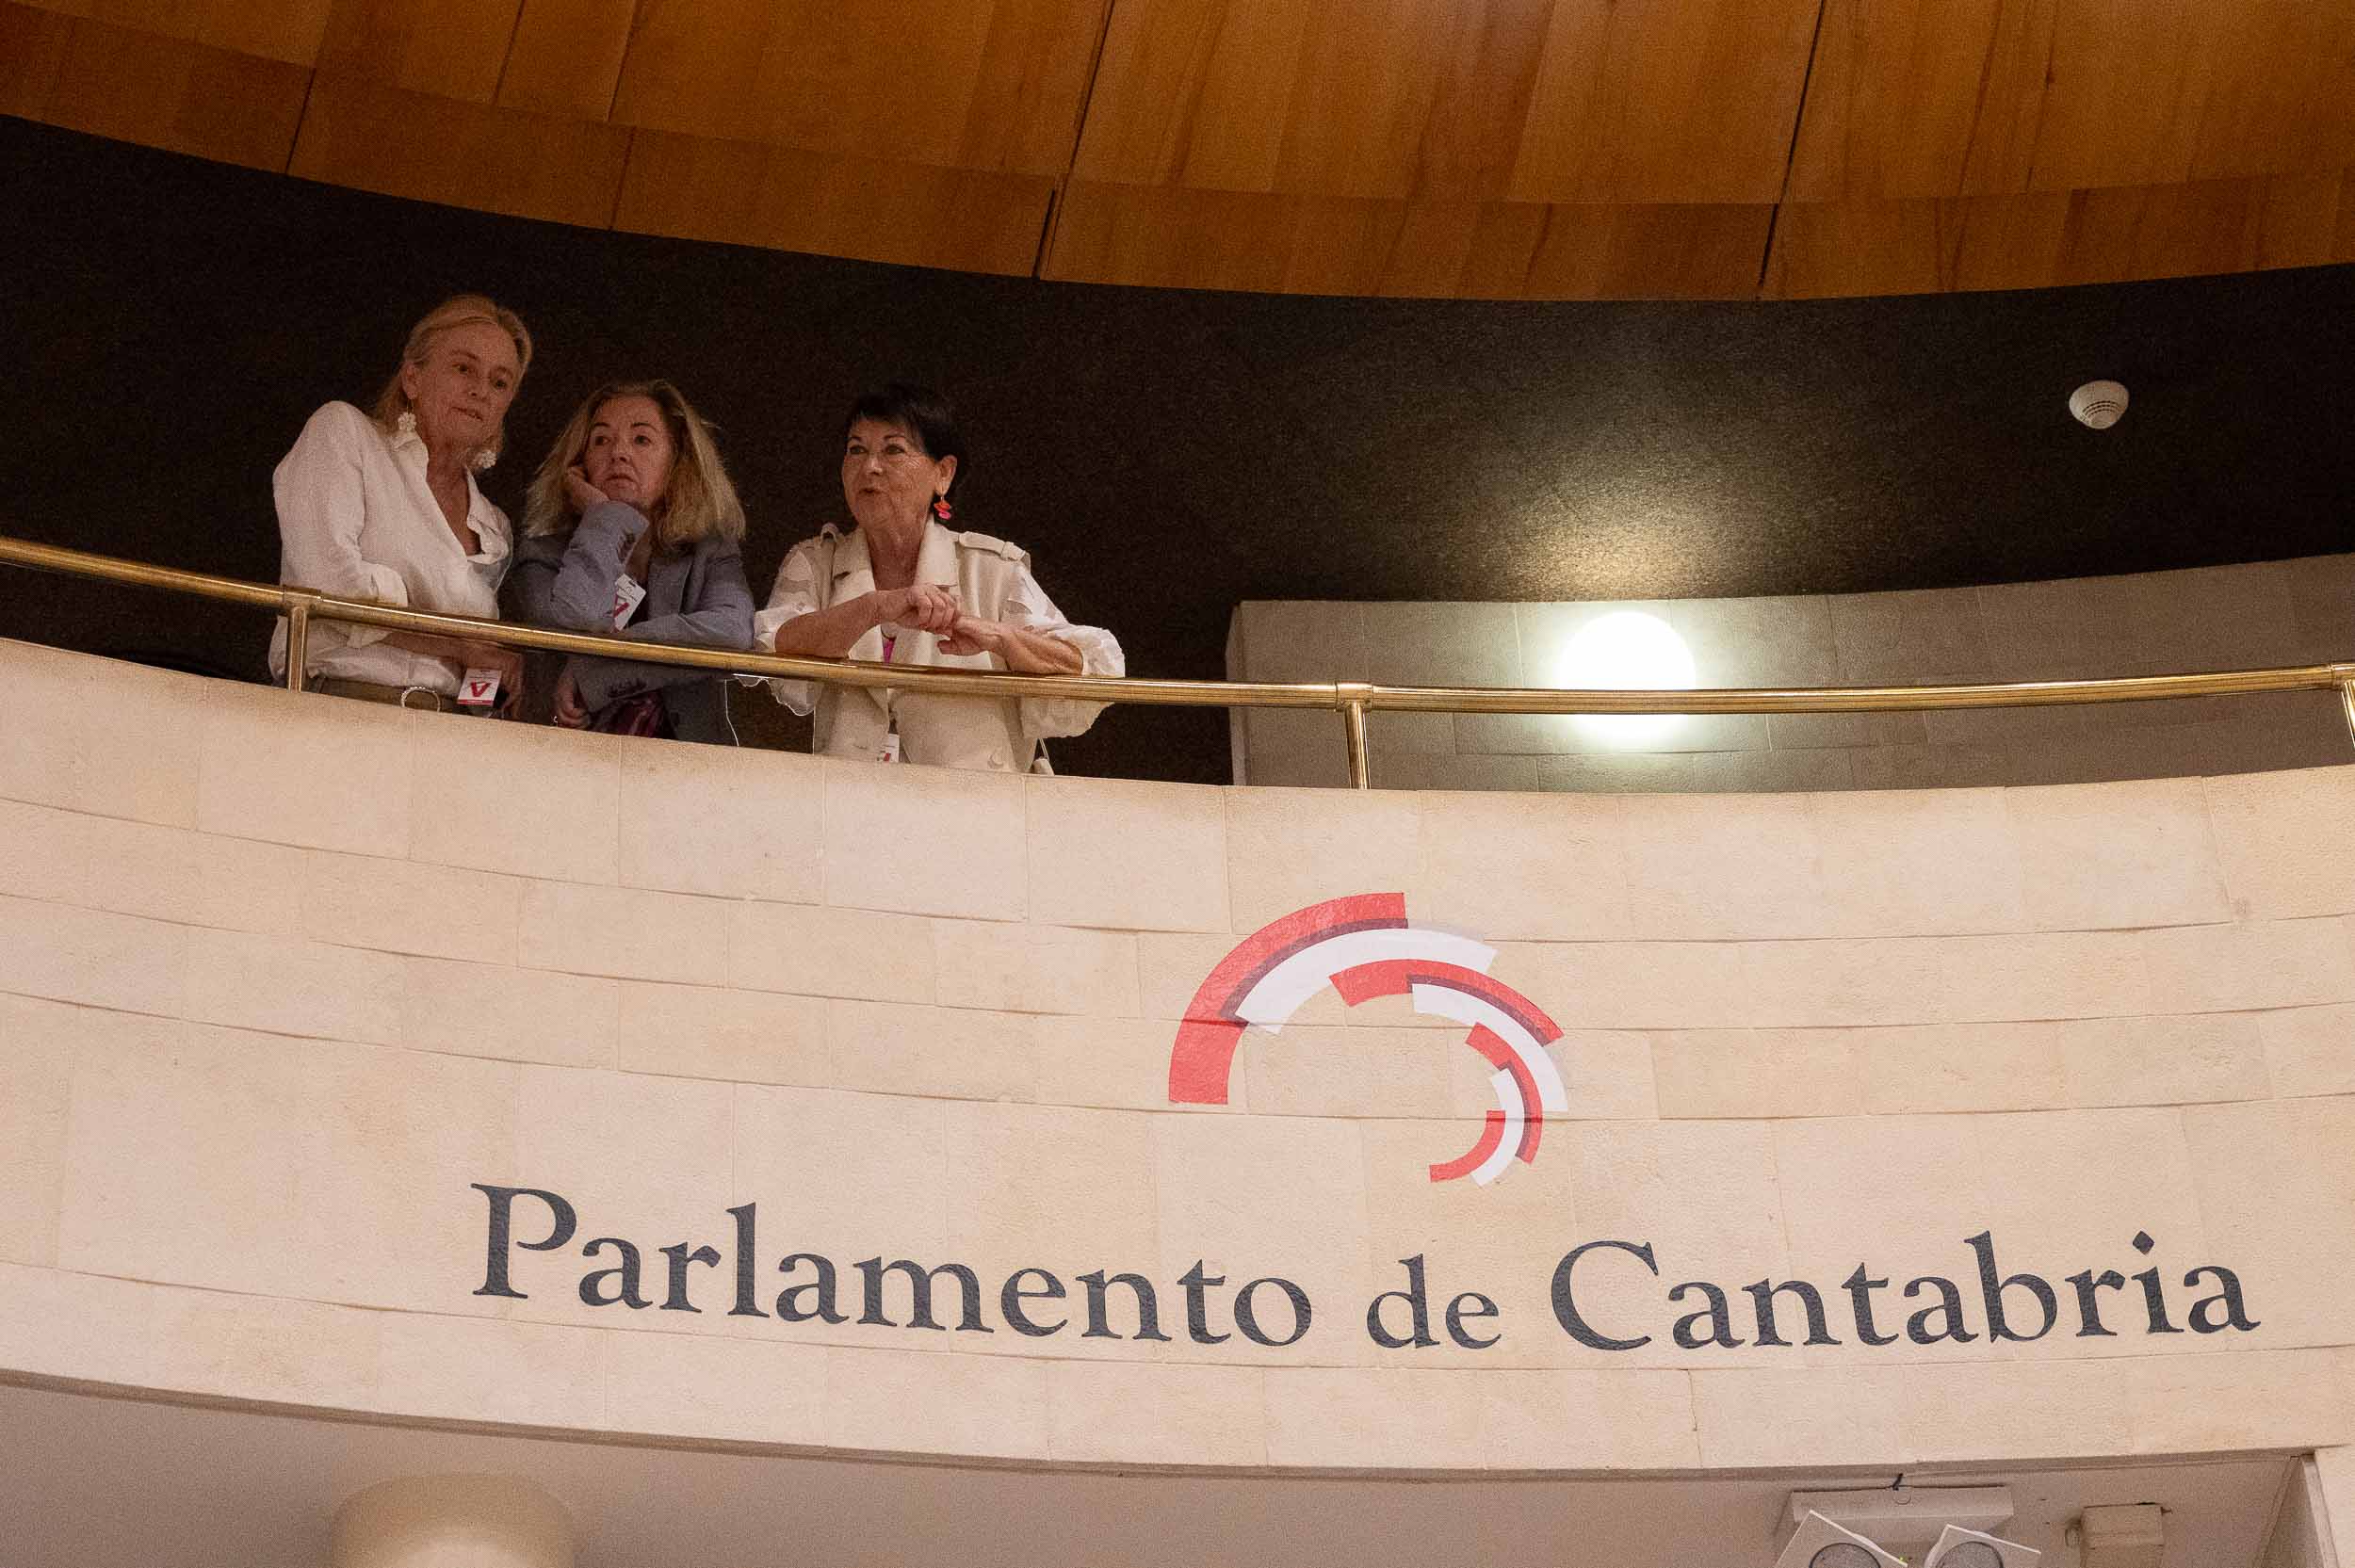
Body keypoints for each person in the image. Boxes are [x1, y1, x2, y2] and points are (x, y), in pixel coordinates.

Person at [754, 384, 1121, 770]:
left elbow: (1093, 672)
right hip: (851, 804)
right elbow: (774, 649)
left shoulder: (992, 567)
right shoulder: (816, 560)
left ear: (943, 474)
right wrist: (874, 607)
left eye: (893, 449)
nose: (869, 467)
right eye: (856, 449)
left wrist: (999, 637)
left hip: (975, 807)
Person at [270, 294, 533, 711]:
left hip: (452, 732)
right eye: (463, 368)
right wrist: (458, 646)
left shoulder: (494, 526)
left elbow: (477, 656)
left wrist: (491, 673)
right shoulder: (344, 433)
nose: (481, 391)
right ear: (413, 378)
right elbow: (327, 587)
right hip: (342, 707)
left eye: (499, 382)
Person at [510, 380, 754, 744]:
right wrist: (603, 518)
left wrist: (596, 673)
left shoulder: (710, 552)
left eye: (641, 439)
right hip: (567, 765)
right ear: (578, 464)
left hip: (686, 773)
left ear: (677, 460)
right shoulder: (541, 555)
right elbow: (575, 627)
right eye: (601, 440)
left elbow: (733, 632)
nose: (618, 453)